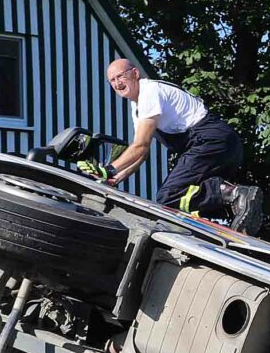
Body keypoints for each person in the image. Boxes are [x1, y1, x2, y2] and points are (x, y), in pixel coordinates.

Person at [101, 58, 258, 229]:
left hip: (210, 140)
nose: (117, 84)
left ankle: (233, 194)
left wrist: (107, 169)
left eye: (120, 77)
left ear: (135, 73)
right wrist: (115, 178)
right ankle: (237, 211)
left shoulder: (149, 92)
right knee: (185, 197)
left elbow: (140, 146)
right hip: (222, 143)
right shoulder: (137, 105)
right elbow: (142, 154)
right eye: (112, 81)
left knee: (168, 197)